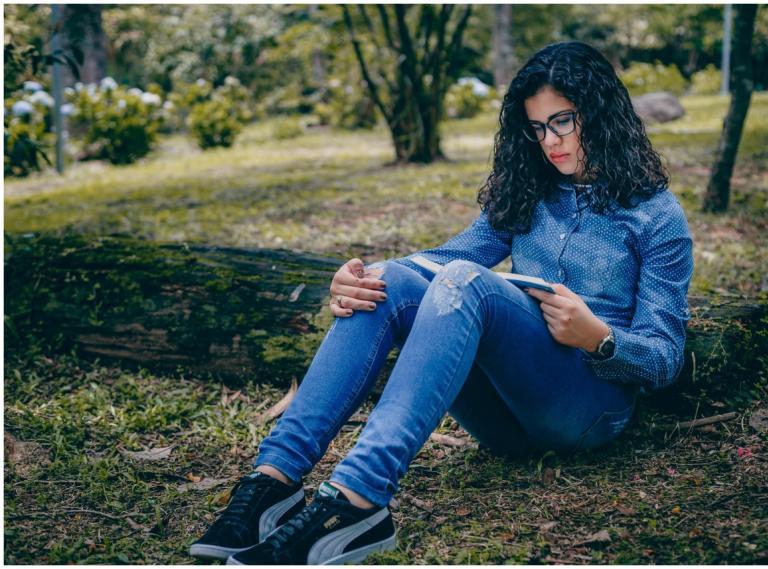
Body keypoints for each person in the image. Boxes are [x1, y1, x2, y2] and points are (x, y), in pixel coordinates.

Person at [189, 40, 693, 565]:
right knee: (392, 279)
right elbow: (443, 260)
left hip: (588, 409)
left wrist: (600, 338)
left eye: (563, 121)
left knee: (465, 281)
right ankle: (273, 481)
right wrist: (361, 279)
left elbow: (664, 356)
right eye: (538, 128)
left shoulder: (656, 216)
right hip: (503, 423)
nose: (550, 142)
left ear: (600, 112)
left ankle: (357, 501)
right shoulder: (530, 191)